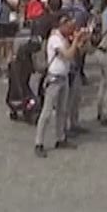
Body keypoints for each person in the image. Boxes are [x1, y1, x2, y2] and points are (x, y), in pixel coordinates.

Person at [36, 15, 79, 157]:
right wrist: (76, 41)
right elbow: (67, 55)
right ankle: (39, 142)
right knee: (47, 112)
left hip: (64, 77)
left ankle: (60, 138)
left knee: (63, 109)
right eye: (69, 27)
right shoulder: (55, 39)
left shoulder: (64, 38)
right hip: (54, 79)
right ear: (62, 25)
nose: (71, 29)